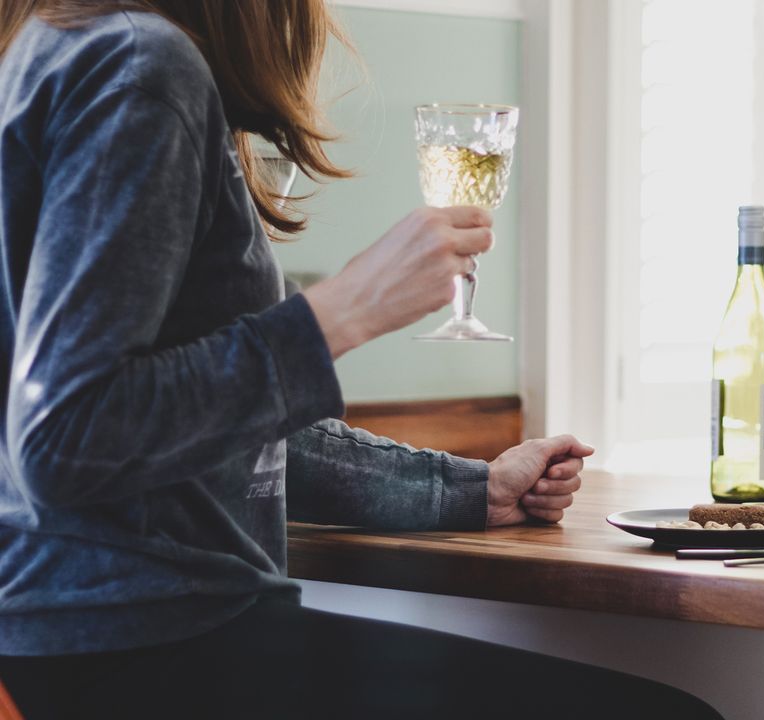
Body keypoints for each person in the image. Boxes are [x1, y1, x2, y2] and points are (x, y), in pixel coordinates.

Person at [0, 1, 722, 717]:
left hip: (96, 646)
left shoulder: (52, 51)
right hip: (153, 643)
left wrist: (475, 490)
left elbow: (214, 439)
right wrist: (340, 311)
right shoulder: (141, 66)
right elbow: (68, 434)